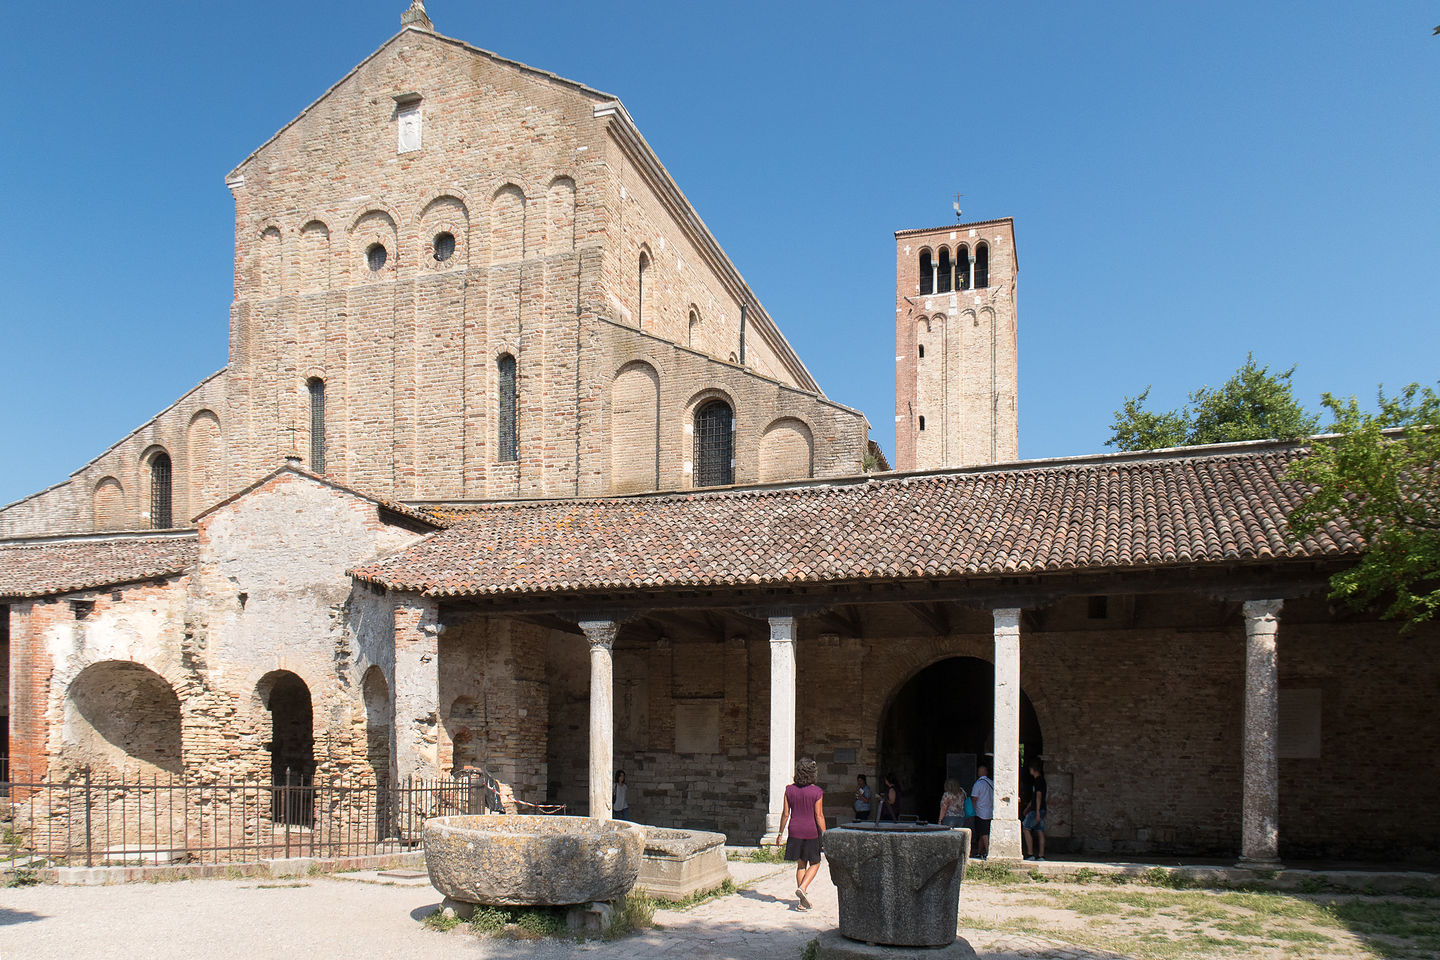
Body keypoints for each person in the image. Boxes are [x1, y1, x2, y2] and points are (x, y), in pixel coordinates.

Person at [778, 756, 826, 910]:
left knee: (801, 865)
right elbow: (819, 816)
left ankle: (801, 902)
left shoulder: (789, 790)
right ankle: (803, 888)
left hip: (795, 830)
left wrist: (780, 833)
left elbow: (785, 814)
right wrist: (825, 835)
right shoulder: (817, 792)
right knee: (815, 863)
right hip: (811, 831)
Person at [1022, 759, 1047, 861]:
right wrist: (1027, 808)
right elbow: (1034, 798)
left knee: (1026, 828)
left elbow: (1038, 796)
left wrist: (1037, 811)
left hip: (1036, 810)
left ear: (1033, 769)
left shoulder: (1038, 781)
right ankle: (1041, 855)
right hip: (1040, 809)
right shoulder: (1041, 780)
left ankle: (1030, 853)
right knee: (1039, 830)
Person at [970, 763, 995, 859]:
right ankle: (979, 852)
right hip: (990, 811)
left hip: (980, 812)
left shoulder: (978, 784)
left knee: (984, 833)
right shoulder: (992, 783)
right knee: (982, 832)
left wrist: (973, 810)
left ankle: (989, 853)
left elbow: (974, 798)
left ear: (979, 773)